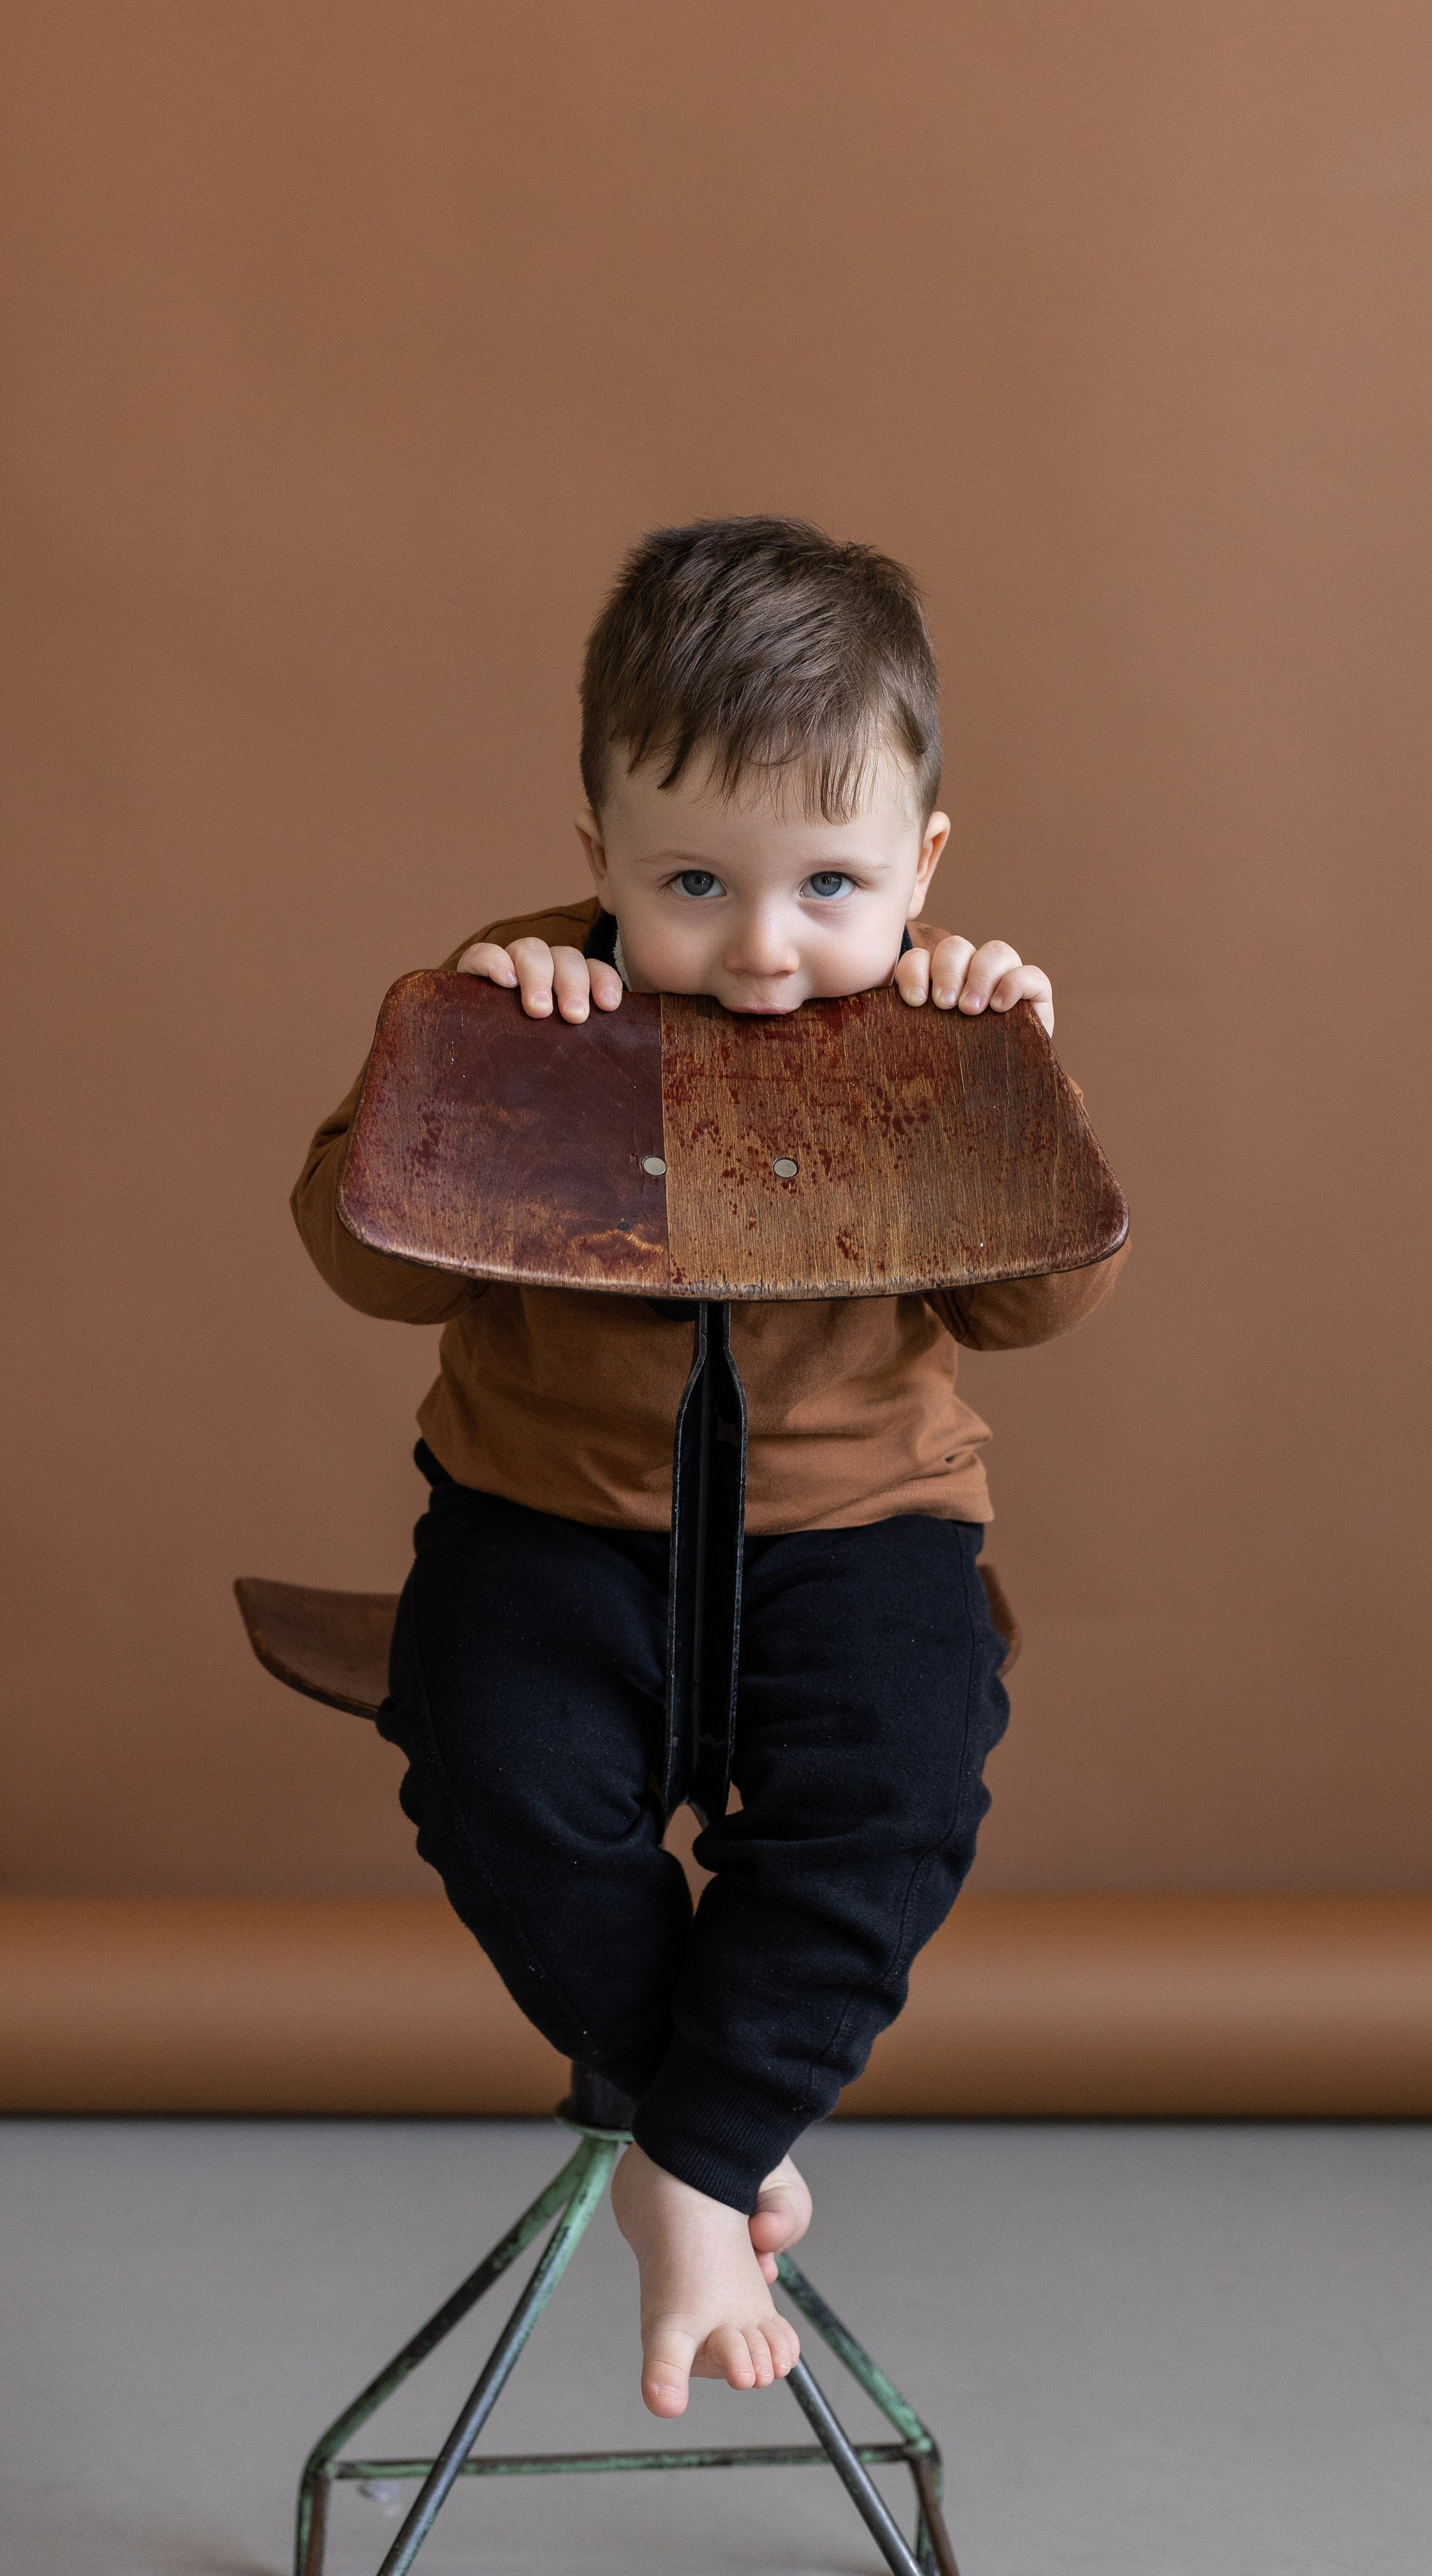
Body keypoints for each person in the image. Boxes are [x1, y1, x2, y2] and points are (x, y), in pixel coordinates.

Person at [293, 517, 1125, 2420]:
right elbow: (361, 1265)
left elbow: (1029, 1318)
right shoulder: (529, 1004)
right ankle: (725, 2129)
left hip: (864, 1528)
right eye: (694, 881)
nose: (764, 948)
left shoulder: (929, 1023)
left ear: (921, 866)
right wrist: (460, 1069)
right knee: (493, 1758)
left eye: (830, 884)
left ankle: (687, 2158)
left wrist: (1010, 1085)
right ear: (599, 855)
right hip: (548, 1520)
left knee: (897, 1791)